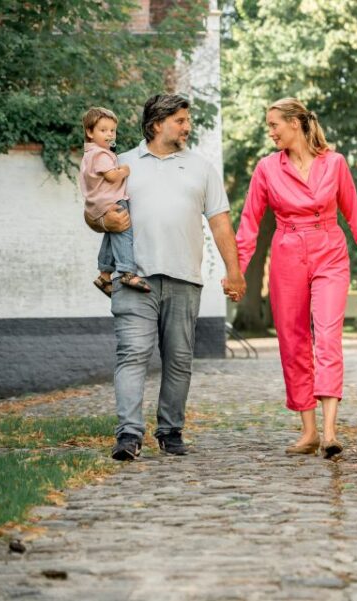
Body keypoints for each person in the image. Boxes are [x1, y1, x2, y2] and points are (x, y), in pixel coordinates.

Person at [84, 94, 246, 461]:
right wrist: (102, 222)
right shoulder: (120, 163)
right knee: (132, 353)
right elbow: (93, 210)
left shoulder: (202, 168)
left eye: (187, 120)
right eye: (181, 120)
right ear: (157, 124)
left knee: (178, 359)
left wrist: (233, 272)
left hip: (184, 278)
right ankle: (128, 434)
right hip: (132, 278)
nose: (187, 127)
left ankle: (170, 430)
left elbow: (220, 222)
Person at [235, 97, 357, 459]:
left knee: (328, 337)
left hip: (329, 251)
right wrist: (237, 270)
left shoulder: (334, 163)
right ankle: (308, 431)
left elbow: (355, 215)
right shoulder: (266, 169)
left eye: (274, 124)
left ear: (295, 123)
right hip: (287, 254)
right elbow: (249, 222)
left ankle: (331, 431)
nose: (270, 131)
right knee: (293, 341)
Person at [79, 107, 150, 297]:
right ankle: (127, 271)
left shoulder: (90, 154)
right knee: (123, 232)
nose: (109, 134)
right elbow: (111, 177)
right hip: (111, 200)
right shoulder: (101, 154)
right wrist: (124, 171)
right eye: (103, 130)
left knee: (112, 234)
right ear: (90, 132)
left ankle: (104, 275)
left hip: (98, 203)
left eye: (112, 130)